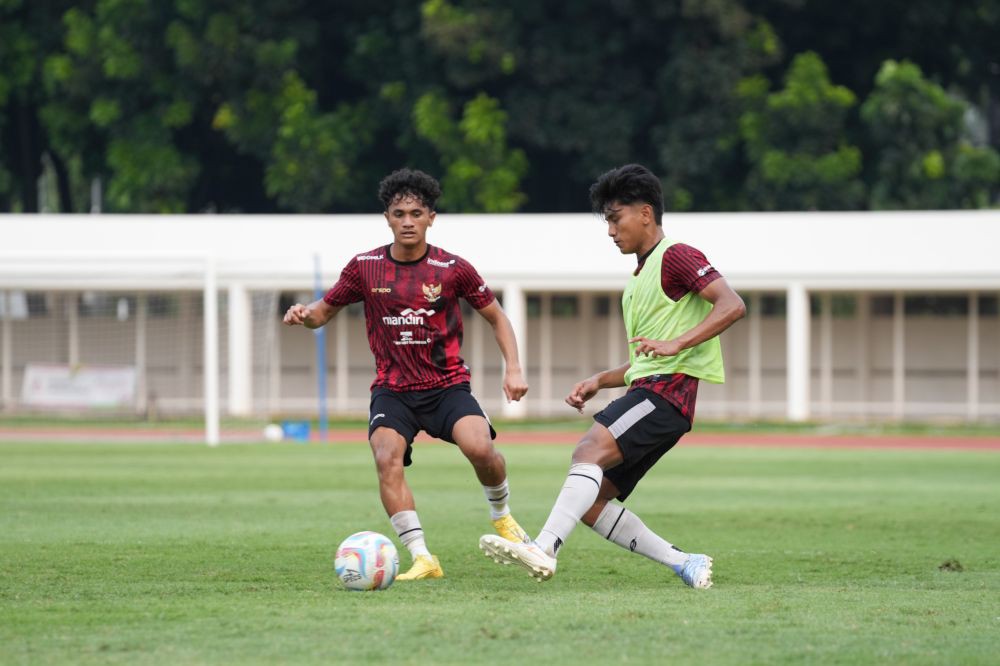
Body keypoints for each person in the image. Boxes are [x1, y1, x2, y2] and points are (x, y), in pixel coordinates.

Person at [479, 163, 746, 589]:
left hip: (665, 393)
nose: (610, 231)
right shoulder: (639, 279)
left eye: (615, 218)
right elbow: (646, 356)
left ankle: (545, 547)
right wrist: (600, 381)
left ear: (645, 213)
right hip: (657, 393)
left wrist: (677, 344)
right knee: (593, 501)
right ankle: (685, 561)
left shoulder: (676, 255)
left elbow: (732, 305)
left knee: (589, 448)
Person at [284, 168, 530, 580]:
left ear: (431, 217)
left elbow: (496, 316)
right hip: (393, 391)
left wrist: (515, 368)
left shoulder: (453, 268)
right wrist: (304, 315)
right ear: (387, 218)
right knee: (386, 458)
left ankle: (502, 515)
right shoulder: (364, 268)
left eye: (416, 213)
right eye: (399, 213)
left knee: (481, 450)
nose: (408, 221)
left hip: (447, 385)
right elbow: (322, 313)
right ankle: (422, 557)